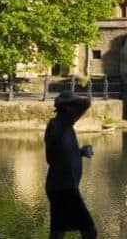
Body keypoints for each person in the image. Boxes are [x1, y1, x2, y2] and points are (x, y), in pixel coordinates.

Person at [45, 91, 97, 239]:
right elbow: (52, 158)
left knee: (58, 231)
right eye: (75, 110)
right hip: (63, 187)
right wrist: (65, 102)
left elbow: (63, 153)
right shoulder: (58, 126)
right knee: (89, 231)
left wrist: (80, 152)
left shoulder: (67, 127)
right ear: (68, 109)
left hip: (63, 186)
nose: (79, 114)